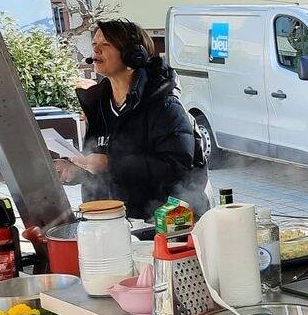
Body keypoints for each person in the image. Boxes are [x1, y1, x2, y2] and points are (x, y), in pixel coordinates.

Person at [54, 20, 209, 221]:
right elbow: (100, 169)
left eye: (106, 44)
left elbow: (176, 168)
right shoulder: (99, 106)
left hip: (159, 224)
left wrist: (111, 164)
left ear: (133, 56)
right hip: (110, 222)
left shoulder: (165, 107)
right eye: (94, 44)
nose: (96, 50)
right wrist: (76, 171)